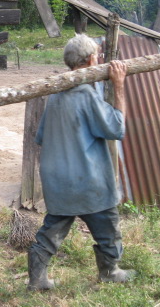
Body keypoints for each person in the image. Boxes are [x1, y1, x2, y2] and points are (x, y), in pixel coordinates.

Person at [27, 34, 135, 291]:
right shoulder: (85, 93)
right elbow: (117, 128)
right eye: (97, 55)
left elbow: (41, 136)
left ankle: (37, 280)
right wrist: (119, 86)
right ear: (90, 60)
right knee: (108, 226)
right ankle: (109, 271)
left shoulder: (56, 93)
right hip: (88, 178)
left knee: (51, 231)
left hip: (58, 178)